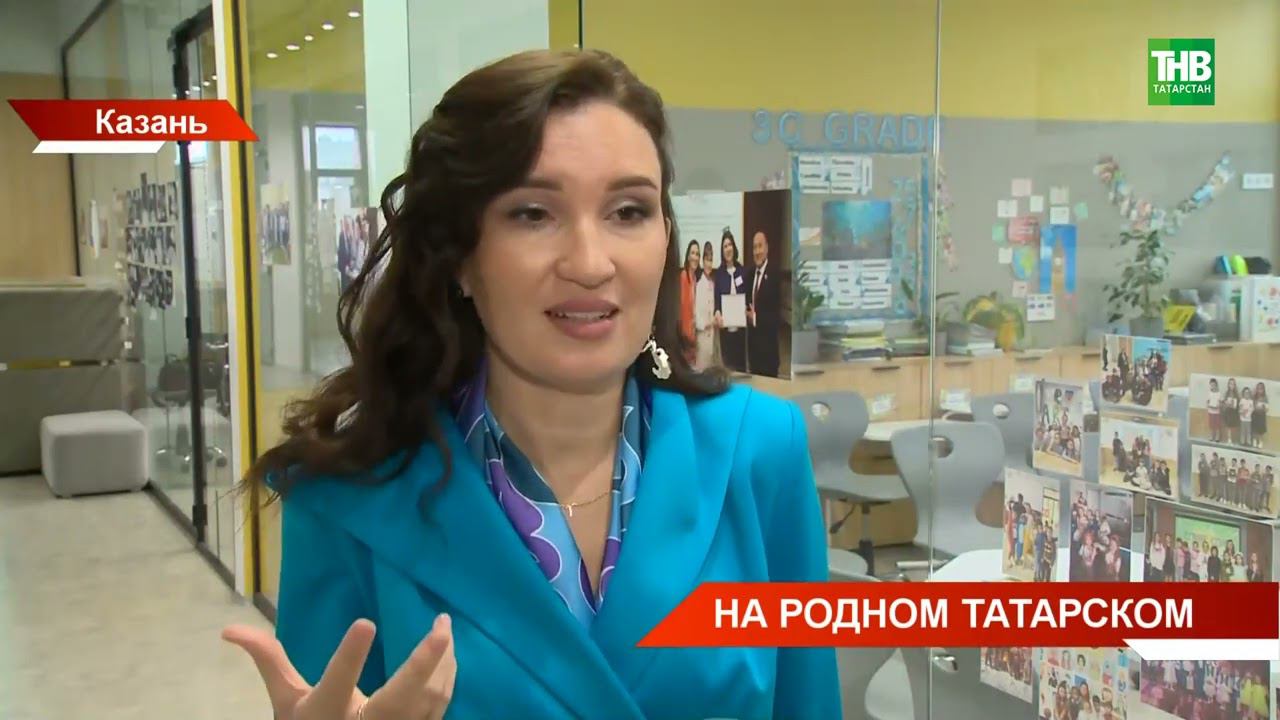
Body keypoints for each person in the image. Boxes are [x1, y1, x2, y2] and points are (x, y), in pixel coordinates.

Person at [219, 49, 839, 720]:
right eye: (533, 214)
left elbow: (808, 704)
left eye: (628, 211)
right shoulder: (349, 502)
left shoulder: (758, 452)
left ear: (665, 238)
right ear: (460, 256)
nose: (590, 264)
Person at [745, 230, 780, 377]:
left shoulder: (775, 275)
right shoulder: (750, 275)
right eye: (754, 247)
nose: (757, 251)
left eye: (760, 246)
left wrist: (755, 318)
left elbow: (776, 316)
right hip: (753, 354)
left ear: (767, 248)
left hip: (768, 355)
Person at [713, 229, 747, 371]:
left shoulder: (742, 271)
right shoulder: (719, 274)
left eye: (730, 245)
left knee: (741, 366)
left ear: (734, 247)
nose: (728, 249)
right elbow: (717, 300)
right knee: (728, 367)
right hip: (725, 330)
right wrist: (717, 312)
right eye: (725, 246)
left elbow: (747, 297)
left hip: (741, 330)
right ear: (722, 251)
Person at [692, 240, 718, 370]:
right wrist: (706, 324)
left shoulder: (713, 283)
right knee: (701, 370)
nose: (709, 264)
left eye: (711, 260)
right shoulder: (699, 284)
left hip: (712, 336)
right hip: (701, 337)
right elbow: (695, 314)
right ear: (702, 261)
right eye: (707, 260)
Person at [678, 240, 699, 365]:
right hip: (684, 337)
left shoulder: (695, 278)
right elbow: (682, 309)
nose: (695, 257)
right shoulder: (683, 276)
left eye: (697, 254)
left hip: (693, 334)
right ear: (688, 256)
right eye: (693, 253)